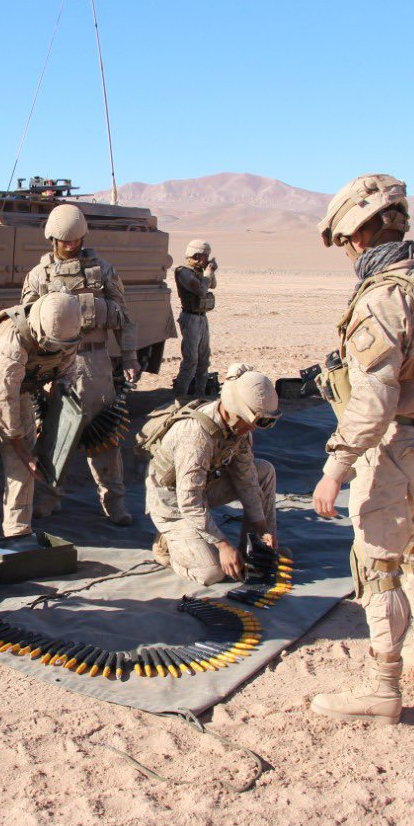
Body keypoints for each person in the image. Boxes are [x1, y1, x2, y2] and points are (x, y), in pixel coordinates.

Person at [310, 174, 414, 724]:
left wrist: (336, 467)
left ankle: (383, 690)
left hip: (396, 448)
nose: (348, 250)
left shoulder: (382, 299)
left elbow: (374, 402)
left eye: (347, 239)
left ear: (359, 232)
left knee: (379, 565)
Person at [21, 204, 140, 526]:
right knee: (56, 435)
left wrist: (129, 356)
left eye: (76, 240)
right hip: (57, 362)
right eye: (64, 241)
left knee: (105, 435)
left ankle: (113, 501)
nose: (71, 246)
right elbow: (26, 321)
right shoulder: (39, 275)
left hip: (96, 362)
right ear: (52, 239)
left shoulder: (102, 271)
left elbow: (124, 317)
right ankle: (48, 497)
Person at [0, 293, 83, 536]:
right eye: (50, 344)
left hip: (19, 384)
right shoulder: (14, 341)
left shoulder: (67, 334)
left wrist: (54, 422)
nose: (56, 349)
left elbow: (64, 379)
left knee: (22, 464)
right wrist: (21, 445)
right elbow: (2, 398)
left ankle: (17, 530)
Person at [145, 366, 281, 585]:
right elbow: (189, 501)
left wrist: (261, 527)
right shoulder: (195, 436)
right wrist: (223, 545)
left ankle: (256, 551)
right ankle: (167, 544)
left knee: (263, 470)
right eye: (250, 423)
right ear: (233, 411)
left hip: (203, 488)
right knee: (212, 573)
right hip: (173, 505)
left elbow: (246, 477)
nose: (252, 430)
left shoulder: (239, 429)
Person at [172, 239, 218, 401]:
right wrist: (208, 273)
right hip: (190, 318)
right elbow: (200, 290)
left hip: (201, 317)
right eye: (205, 256)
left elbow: (212, 285)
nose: (207, 259)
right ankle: (181, 397)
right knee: (191, 360)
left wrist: (209, 272)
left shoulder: (200, 272)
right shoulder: (183, 272)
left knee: (204, 359)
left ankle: (200, 394)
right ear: (196, 255)